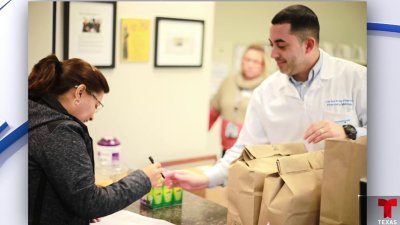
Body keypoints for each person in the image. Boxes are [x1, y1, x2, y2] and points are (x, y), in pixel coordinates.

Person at [165, 4, 367, 189]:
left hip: (346, 194)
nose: (273, 54)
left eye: (282, 45)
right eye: (271, 44)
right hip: (291, 199)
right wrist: (207, 178)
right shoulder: (266, 92)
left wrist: (349, 132)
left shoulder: (356, 78)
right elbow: (244, 149)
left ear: (308, 45)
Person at [28, 55, 163, 225]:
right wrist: (143, 179)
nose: (92, 116)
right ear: (80, 92)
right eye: (96, 105)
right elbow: (90, 203)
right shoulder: (59, 131)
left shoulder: (33, 115)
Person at [209, 44, 267, 156]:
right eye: (247, 60)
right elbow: (211, 112)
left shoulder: (267, 87)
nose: (250, 65)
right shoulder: (229, 81)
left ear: (263, 65)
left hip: (253, 152)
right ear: (242, 61)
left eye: (255, 61)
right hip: (227, 148)